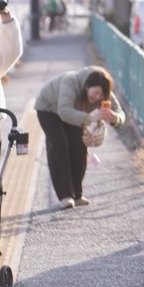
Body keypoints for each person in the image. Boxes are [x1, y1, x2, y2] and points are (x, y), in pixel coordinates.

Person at [34, 66, 121, 208]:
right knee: (59, 145)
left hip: (74, 112)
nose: (97, 97)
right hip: (48, 109)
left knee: (79, 146)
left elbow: (119, 113)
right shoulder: (70, 82)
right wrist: (91, 117)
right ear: (87, 86)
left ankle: (77, 194)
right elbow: (64, 111)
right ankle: (65, 196)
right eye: (95, 93)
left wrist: (115, 118)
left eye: (101, 95)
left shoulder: (103, 89)